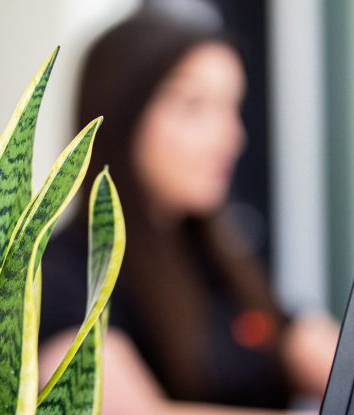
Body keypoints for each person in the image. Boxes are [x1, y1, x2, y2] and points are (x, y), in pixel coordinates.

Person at [39, 2, 338, 414]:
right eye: (195, 107)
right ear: (120, 115)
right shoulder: (62, 275)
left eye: (233, 107)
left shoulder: (221, 259)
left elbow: (316, 349)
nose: (231, 137)